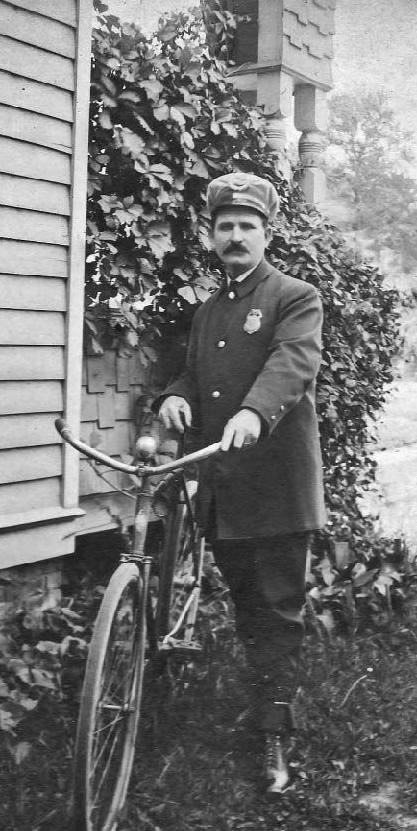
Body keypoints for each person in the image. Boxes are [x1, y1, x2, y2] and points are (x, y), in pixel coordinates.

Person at [156, 171, 325, 793]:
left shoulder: (295, 297)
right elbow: (194, 375)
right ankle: (265, 705)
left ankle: (276, 739)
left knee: (277, 611)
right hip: (225, 490)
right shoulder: (209, 310)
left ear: (266, 233)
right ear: (212, 234)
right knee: (250, 608)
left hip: (278, 487)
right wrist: (175, 398)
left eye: (246, 227)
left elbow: (293, 363)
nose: (234, 236)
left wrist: (255, 411)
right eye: (225, 226)